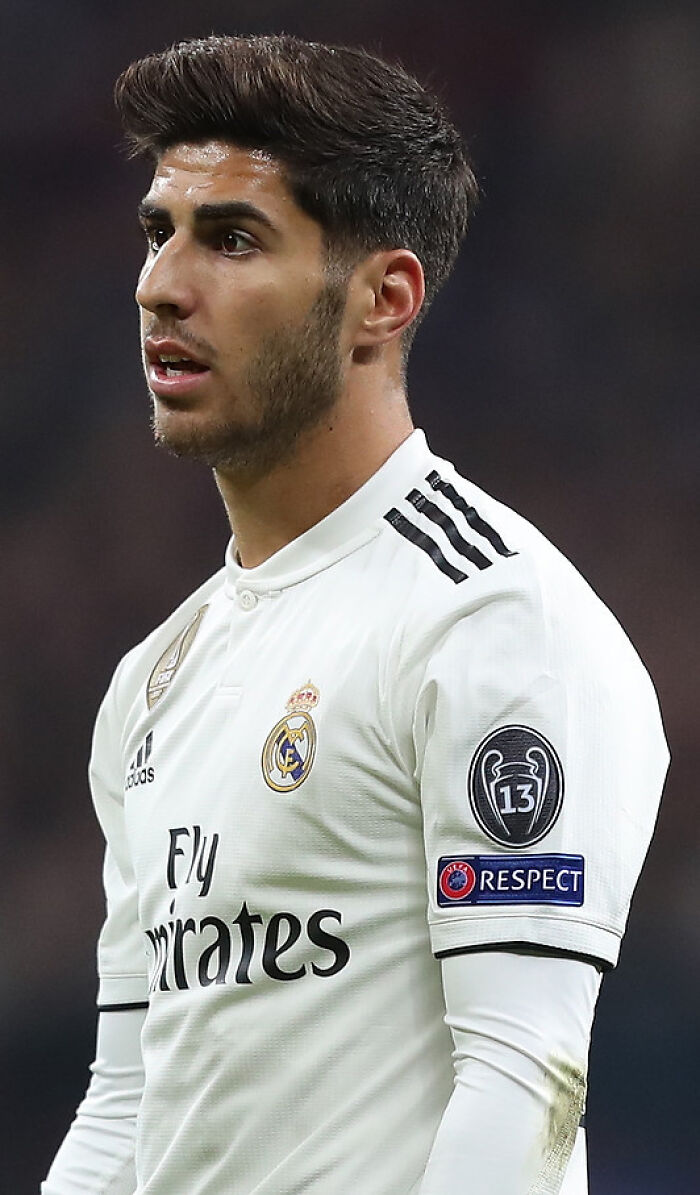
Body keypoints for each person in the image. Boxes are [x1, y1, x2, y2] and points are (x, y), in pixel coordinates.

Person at [42, 34, 668, 1195]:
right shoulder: (155, 678)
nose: (160, 284)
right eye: (157, 232)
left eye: (232, 238)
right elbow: (128, 1097)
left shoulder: (489, 621)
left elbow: (521, 1080)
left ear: (382, 299)